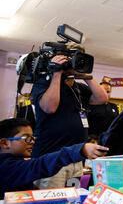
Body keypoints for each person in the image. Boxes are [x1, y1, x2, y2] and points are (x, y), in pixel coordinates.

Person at [30, 52, 108, 189]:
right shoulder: (43, 82)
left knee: (72, 201)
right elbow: (50, 108)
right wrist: (57, 73)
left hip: (76, 157)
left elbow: (102, 99)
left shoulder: (77, 88)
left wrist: (86, 76)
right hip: (51, 157)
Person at [0, 118, 108, 199]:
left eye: (33, 138)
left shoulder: (15, 162)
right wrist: (80, 150)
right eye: (27, 138)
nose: (32, 142)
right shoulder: (6, 166)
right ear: (5, 143)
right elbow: (40, 165)